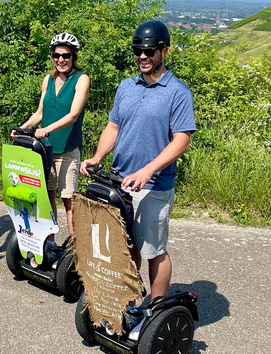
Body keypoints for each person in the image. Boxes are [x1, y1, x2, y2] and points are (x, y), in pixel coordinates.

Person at [80, 20, 195, 301]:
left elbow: (182, 140)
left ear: (163, 51)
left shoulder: (177, 92)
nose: (142, 56)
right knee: (122, 247)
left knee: (153, 250)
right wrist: (97, 157)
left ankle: (156, 310)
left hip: (153, 185)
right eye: (138, 51)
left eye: (149, 51)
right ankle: (127, 300)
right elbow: (113, 128)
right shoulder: (126, 87)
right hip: (119, 181)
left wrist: (148, 170)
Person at [19, 32, 91, 230]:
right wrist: (22, 129)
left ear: (73, 57)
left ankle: (73, 249)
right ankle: (50, 243)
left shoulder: (81, 79)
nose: (61, 60)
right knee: (47, 200)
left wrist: (46, 129)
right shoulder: (48, 80)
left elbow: (73, 115)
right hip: (46, 151)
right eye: (57, 55)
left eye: (66, 55)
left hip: (67, 151)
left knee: (69, 203)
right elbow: (40, 112)